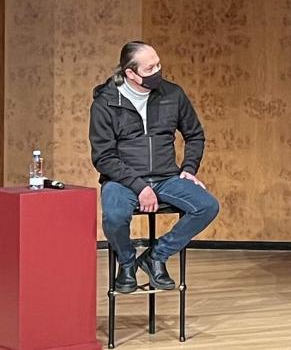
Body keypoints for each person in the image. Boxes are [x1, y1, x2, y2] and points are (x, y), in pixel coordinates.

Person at [89, 41, 220, 293]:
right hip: (122, 180)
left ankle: (156, 256)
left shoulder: (173, 94)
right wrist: (139, 187)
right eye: (150, 68)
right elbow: (103, 157)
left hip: (166, 177)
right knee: (114, 216)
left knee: (207, 206)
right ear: (131, 73)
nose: (158, 71)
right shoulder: (106, 102)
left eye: (158, 64)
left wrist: (189, 168)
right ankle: (126, 263)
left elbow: (195, 135)